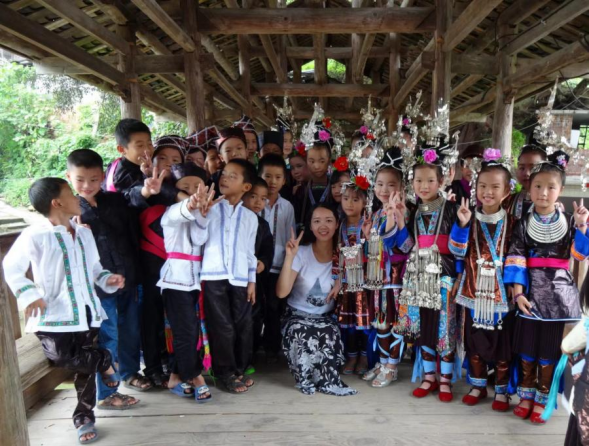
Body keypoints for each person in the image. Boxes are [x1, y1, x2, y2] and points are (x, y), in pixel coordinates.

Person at [3, 178, 125, 444]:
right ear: (56, 202)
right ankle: (104, 360)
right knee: (61, 356)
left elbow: (95, 269)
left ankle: (84, 417)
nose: (77, 197)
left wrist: (108, 279)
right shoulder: (35, 235)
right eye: (71, 193)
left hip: (86, 311)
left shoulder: (84, 233)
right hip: (54, 315)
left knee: (84, 371)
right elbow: (11, 267)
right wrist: (30, 295)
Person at [505, 150, 589, 424]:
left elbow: (579, 255)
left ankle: (544, 399)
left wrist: (581, 227)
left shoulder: (570, 221)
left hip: (559, 295)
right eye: (537, 186)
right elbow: (516, 257)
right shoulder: (522, 223)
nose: (543, 192)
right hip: (530, 292)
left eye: (550, 187)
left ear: (560, 190)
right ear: (529, 188)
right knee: (527, 349)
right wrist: (518, 293)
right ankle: (525, 396)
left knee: (549, 351)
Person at [66, 149, 148, 409]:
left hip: (128, 278)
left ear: (102, 176)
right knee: (108, 336)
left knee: (131, 330)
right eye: (80, 180)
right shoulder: (68, 211)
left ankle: (130, 372)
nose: (87, 185)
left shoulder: (116, 201)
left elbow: (135, 206)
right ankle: (107, 393)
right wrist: (74, 232)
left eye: (93, 179)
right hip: (98, 288)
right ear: (69, 177)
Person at [389, 142, 463, 403]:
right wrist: (400, 221)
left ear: (441, 181)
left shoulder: (453, 209)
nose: (424, 185)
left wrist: (460, 277)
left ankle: (445, 380)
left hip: (444, 276)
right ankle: (429, 377)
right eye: (418, 180)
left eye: (430, 180)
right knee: (425, 328)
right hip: (418, 277)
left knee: (444, 328)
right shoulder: (413, 212)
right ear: (412, 183)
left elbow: (461, 250)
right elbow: (407, 246)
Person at [449, 151, 516, 411]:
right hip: (473, 290)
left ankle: (501, 391)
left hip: (501, 293)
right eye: (482, 186)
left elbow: (518, 257)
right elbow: (457, 251)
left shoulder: (514, 223)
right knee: (474, 340)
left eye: (495, 187)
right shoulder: (468, 217)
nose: (487, 192)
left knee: (502, 343)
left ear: (507, 191)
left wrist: (515, 286)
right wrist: (462, 225)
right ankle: (477, 386)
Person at [276, 204, 356, 396]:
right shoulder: (301, 253)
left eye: (329, 220)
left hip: (326, 318)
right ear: (310, 226)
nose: (323, 226)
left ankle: (325, 380)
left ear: (337, 224)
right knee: (302, 332)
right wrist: (289, 258)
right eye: (317, 221)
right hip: (296, 316)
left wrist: (342, 281)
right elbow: (281, 293)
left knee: (328, 333)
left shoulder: (343, 255)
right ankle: (306, 378)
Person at [158, 166, 218, 402]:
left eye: (197, 187)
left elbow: (199, 238)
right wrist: (191, 204)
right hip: (175, 280)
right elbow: (179, 212)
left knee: (189, 331)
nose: (193, 192)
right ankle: (195, 376)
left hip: (195, 280)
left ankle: (175, 377)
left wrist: (202, 214)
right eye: (186, 187)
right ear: (175, 190)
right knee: (186, 332)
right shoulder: (170, 212)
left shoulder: (200, 213)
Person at [200, 158, 259, 393]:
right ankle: (224, 372)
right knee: (222, 326)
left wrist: (252, 280)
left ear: (246, 186)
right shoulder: (210, 209)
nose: (225, 178)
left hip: (240, 278)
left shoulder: (250, 217)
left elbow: (249, 252)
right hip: (213, 276)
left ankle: (239, 369)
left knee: (243, 325)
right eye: (224, 174)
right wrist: (202, 214)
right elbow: (199, 239)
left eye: (233, 176)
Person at [362, 147, 411, 388]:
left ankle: (392, 366)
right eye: (379, 184)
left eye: (390, 185)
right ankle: (382, 362)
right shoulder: (376, 213)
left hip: (396, 279)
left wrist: (396, 219)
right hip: (378, 279)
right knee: (381, 323)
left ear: (401, 188)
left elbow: (405, 246)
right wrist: (367, 236)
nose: (383, 189)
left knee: (395, 324)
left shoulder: (404, 211)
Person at [257, 154, 296, 362]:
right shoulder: (254, 202)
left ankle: (272, 348)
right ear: (259, 176)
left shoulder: (287, 206)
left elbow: (290, 235)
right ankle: (253, 346)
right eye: (267, 176)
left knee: (274, 307)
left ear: (284, 180)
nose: (272, 181)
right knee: (256, 306)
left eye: (278, 177)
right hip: (256, 264)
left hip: (278, 265)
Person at [336, 180, 371, 376]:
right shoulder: (339, 225)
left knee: (363, 323)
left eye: (355, 199)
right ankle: (351, 356)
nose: (349, 203)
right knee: (348, 323)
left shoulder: (367, 224)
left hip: (364, 282)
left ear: (365, 202)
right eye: (346, 198)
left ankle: (364, 356)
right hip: (345, 282)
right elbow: (335, 253)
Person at [241, 177, 275, 356]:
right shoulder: (234, 220)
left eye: (263, 198)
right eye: (253, 196)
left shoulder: (263, 225)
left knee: (254, 316)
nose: (258, 202)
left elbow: (267, 250)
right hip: (235, 277)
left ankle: (249, 355)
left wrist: (263, 263)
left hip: (254, 278)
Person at [293, 122, 333, 228]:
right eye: (311, 161)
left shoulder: (335, 189)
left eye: (322, 161)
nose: (316, 166)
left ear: (329, 160)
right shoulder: (300, 191)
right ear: (306, 160)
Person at [103, 118, 153, 197]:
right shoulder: (123, 177)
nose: (147, 150)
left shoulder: (135, 164)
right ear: (122, 149)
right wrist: (149, 176)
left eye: (150, 144)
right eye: (140, 145)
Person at [504, 144, 547, 219]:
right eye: (522, 168)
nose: (526, 173)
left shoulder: (551, 206)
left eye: (533, 168)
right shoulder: (507, 201)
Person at [210, 127, 248, 198]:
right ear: (221, 157)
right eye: (228, 151)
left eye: (239, 148)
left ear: (246, 152)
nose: (234, 153)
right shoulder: (214, 180)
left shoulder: (254, 176)